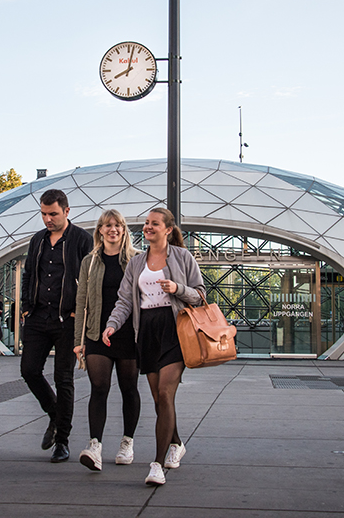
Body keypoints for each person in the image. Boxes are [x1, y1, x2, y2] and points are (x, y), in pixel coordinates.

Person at [102, 207, 205, 487]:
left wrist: (177, 289)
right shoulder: (137, 263)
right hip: (146, 330)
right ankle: (177, 443)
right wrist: (112, 324)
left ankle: (157, 464)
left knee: (164, 393)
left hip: (175, 329)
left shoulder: (183, 257)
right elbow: (124, 300)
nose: (148, 227)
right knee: (160, 401)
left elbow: (200, 294)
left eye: (154, 224)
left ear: (168, 229)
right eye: (146, 223)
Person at [19, 189, 93, 463]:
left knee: (64, 379)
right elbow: (28, 274)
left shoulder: (82, 240)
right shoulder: (38, 240)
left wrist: (79, 313)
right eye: (43, 214)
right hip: (38, 317)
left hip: (67, 321)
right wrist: (27, 306)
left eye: (53, 214)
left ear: (67, 211)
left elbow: (89, 279)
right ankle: (54, 413)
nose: (47, 219)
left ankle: (62, 441)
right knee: (29, 370)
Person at [74, 209, 141, 471]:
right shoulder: (89, 261)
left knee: (129, 388)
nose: (113, 229)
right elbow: (82, 302)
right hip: (95, 334)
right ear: (100, 230)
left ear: (124, 230)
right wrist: (78, 339)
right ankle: (95, 445)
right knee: (99, 387)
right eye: (107, 225)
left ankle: (127, 442)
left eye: (118, 225)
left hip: (127, 334)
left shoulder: (136, 260)